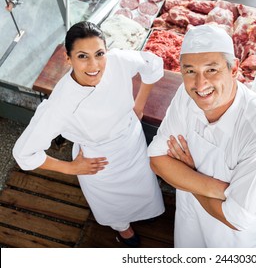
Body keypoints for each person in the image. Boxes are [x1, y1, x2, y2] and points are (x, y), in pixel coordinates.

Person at [13, 21, 165, 247]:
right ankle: (123, 227)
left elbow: (153, 65)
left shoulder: (118, 60)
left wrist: (139, 104)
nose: (94, 65)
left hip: (132, 142)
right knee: (113, 202)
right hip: (99, 161)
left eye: (99, 54)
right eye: (83, 56)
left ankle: (147, 210)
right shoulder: (60, 104)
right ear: (68, 58)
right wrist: (71, 167)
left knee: (144, 184)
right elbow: (23, 153)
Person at [147, 25, 256, 248]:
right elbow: (157, 160)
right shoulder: (186, 95)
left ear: (234, 70)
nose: (200, 84)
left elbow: (237, 217)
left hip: (231, 238)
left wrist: (189, 176)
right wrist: (222, 191)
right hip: (189, 215)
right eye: (190, 71)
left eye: (211, 70)